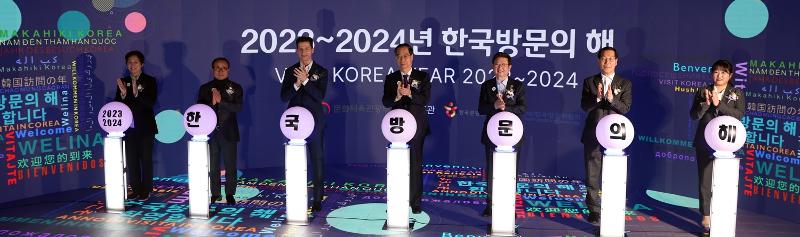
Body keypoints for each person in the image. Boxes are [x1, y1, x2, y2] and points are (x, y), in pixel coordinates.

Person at [689, 59, 744, 232]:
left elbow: (739, 115)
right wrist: (706, 104)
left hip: (727, 144)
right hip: (705, 141)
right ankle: (706, 215)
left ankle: (720, 212)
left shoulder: (736, 93)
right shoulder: (703, 91)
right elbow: (694, 116)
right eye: (716, 72)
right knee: (705, 179)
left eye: (724, 72)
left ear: (730, 75)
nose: (719, 75)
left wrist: (719, 104)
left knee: (722, 181)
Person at [580, 46, 632, 224]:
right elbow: (584, 107)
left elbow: (625, 108)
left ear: (616, 61)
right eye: (603, 58)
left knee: (612, 173)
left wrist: (611, 99)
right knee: (592, 173)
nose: (607, 62)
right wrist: (597, 98)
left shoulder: (624, 84)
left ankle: (611, 206)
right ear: (598, 61)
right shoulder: (590, 82)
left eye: (611, 59)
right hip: (593, 132)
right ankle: (593, 209)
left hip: (615, 136)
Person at [280, 36, 329, 212]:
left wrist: (306, 81)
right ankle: (296, 195)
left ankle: (317, 199)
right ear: (296, 51)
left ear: (312, 50)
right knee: (295, 161)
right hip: (294, 123)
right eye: (300, 49)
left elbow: (319, 96)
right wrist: (297, 83)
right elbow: (284, 96)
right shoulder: (290, 71)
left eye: (307, 49)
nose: (304, 52)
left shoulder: (321, 71)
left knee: (317, 159)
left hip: (314, 122)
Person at [382, 43, 431, 214]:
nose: (402, 59)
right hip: (396, 127)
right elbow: (385, 101)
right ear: (396, 59)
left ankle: (415, 202)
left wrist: (410, 93)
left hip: (416, 126)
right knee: (397, 164)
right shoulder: (391, 78)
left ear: (412, 57)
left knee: (415, 163)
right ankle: (397, 199)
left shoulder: (422, 77)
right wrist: (396, 96)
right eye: (399, 56)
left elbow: (425, 99)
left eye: (405, 55)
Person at [478, 52, 526, 217]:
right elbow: (480, 109)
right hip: (492, 134)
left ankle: (509, 204)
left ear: (509, 67)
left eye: (503, 65)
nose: (500, 68)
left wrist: (506, 108)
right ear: (493, 67)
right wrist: (494, 105)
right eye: (497, 64)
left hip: (511, 135)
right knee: (492, 171)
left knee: (510, 171)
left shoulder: (518, 86)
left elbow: (522, 108)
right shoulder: (486, 85)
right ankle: (491, 205)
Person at [197, 57, 244, 205]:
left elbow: (238, 108)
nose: (220, 70)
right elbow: (200, 109)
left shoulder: (235, 87)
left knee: (230, 165)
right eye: (217, 67)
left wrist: (221, 102)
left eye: (224, 68)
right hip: (210, 132)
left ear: (228, 70)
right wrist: (212, 102)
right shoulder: (205, 88)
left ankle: (230, 193)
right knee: (213, 164)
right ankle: (215, 193)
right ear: (213, 70)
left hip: (228, 131)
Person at [115, 50, 158, 201]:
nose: (132, 65)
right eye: (130, 63)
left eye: (135, 62)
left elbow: (150, 103)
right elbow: (118, 106)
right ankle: (135, 189)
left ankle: (146, 190)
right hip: (129, 128)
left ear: (142, 64)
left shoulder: (150, 81)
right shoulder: (123, 81)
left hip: (146, 128)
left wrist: (136, 93)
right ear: (126, 65)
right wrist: (123, 94)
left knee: (145, 160)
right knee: (131, 160)